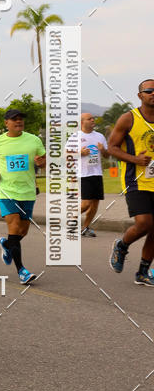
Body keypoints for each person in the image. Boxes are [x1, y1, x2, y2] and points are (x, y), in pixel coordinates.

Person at [0, 109, 46, 285]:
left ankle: (7, 245)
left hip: (28, 192)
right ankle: (22, 271)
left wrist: (42, 162)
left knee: (22, 232)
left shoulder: (34, 140)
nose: (18, 121)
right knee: (14, 226)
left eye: (21, 119)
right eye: (14, 119)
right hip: (6, 192)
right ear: (6, 123)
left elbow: (44, 160)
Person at [108, 80, 154, 286]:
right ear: (140, 95)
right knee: (144, 223)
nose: (153, 93)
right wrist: (135, 159)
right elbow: (112, 147)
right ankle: (122, 245)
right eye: (149, 90)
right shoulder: (129, 118)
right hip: (136, 181)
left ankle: (143, 272)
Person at [65, 113, 109, 237]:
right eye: (89, 119)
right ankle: (71, 221)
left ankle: (85, 228)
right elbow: (66, 155)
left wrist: (103, 150)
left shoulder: (100, 136)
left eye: (93, 118)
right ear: (82, 122)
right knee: (86, 204)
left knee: (95, 203)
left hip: (97, 173)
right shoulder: (75, 137)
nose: (93, 120)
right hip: (83, 174)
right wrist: (80, 153)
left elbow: (107, 155)